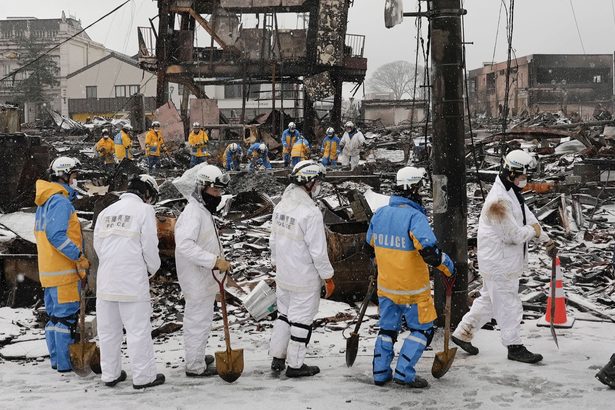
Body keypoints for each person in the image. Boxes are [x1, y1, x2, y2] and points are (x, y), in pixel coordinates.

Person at [451, 150, 556, 364]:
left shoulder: (511, 193)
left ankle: (462, 333)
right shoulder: (498, 200)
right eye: (522, 176)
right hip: (500, 262)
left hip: (501, 260)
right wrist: (534, 231)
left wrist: (545, 239)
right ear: (510, 173)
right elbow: (513, 235)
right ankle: (514, 345)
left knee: (488, 300)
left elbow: (529, 218)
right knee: (509, 303)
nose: (525, 181)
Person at [366, 166, 455, 389]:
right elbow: (431, 253)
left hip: (386, 287)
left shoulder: (380, 214)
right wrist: (448, 268)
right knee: (422, 329)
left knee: (387, 330)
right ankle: (404, 373)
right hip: (413, 290)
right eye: (420, 187)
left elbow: (369, 247)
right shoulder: (415, 217)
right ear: (414, 188)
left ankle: (380, 373)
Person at [93, 174, 165, 389]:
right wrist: (151, 269)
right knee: (137, 330)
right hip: (132, 280)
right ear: (147, 193)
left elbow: (98, 246)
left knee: (108, 331)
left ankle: (110, 374)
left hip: (106, 280)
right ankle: (144, 377)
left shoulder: (106, 212)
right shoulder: (144, 211)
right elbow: (150, 246)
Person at [269, 160, 335, 378]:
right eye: (317, 182)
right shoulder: (310, 212)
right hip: (304, 277)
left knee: (284, 315)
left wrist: (275, 263)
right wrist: (328, 277)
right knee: (302, 319)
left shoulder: (281, 206)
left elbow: (273, 241)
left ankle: (278, 357)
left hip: (284, 274)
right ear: (309, 182)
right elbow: (318, 252)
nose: (318, 186)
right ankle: (296, 365)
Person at [175, 165, 232, 378]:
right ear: (202, 188)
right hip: (196, 278)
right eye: (215, 191)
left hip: (203, 277)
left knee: (201, 319)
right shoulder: (193, 213)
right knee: (197, 321)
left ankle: (196, 355)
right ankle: (195, 366)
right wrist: (214, 261)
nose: (218, 196)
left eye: (220, 191)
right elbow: (186, 245)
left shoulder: (201, 211)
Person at [34, 156, 89, 373]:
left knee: (54, 319)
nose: (76, 180)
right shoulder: (60, 201)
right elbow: (56, 235)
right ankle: (67, 364)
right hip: (64, 272)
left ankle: (58, 362)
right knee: (65, 320)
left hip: (49, 272)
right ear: (64, 175)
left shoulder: (45, 201)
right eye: (74, 175)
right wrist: (78, 256)